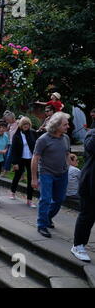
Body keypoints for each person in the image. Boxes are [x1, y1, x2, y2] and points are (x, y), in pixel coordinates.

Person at [32, 112, 71, 238]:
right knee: (46, 199)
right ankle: (42, 225)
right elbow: (35, 159)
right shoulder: (43, 139)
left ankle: (47, 217)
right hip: (46, 173)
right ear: (56, 125)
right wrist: (34, 178)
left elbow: (67, 154)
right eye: (65, 124)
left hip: (62, 174)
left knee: (59, 199)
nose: (68, 126)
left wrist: (68, 167)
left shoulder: (66, 138)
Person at [71, 128, 95, 262]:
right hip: (90, 183)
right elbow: (91, 148)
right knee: (87, 216)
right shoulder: (91, 134)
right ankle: (78, 245)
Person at [10, 117, 38, 208]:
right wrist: (15, 163)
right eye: (24, 124)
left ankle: (29, 200)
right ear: (21, 126)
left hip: (31, 159)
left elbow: (38, 143)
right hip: (20, 158)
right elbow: (13, 150)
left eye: (28, 124)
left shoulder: (32, 133)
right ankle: (12, 191)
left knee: (31, 179)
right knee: (17, 175)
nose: (26, 126)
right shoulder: (17, 135)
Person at [2, 110, 18, 175]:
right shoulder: (9, 125)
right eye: (6, 120)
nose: (7, 121)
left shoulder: (18, 123)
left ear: (12, 118)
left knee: (9, 157)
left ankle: (5, 171)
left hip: (14, 144)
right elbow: (6, 133)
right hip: (9, 143)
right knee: (6, 156)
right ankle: (4, 169)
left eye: (8, 120)